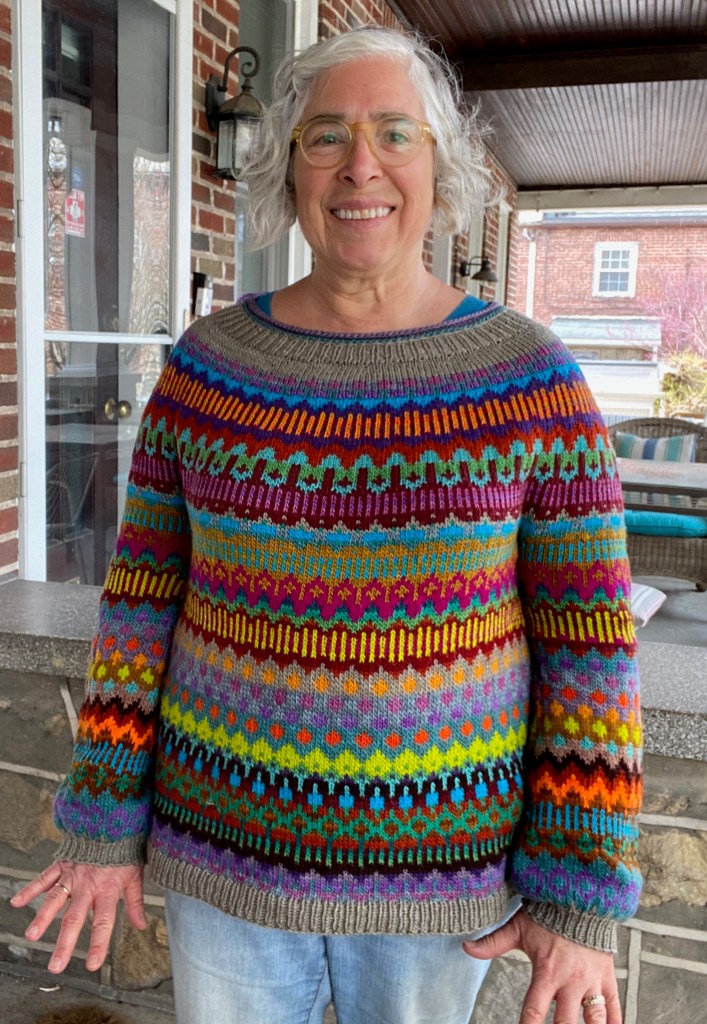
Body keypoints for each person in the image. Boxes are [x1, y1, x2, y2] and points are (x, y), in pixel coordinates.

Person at [11, 26, 642, 1024]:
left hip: (441, 879)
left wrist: (578, 888)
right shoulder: (208, 369)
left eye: (395, 133)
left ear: (439, 166)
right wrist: (101, 819)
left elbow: (589, 648)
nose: (360, 166)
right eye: (326, 135)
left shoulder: (531, 379)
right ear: (286, 166)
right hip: (226, 862)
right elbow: (137, 611)